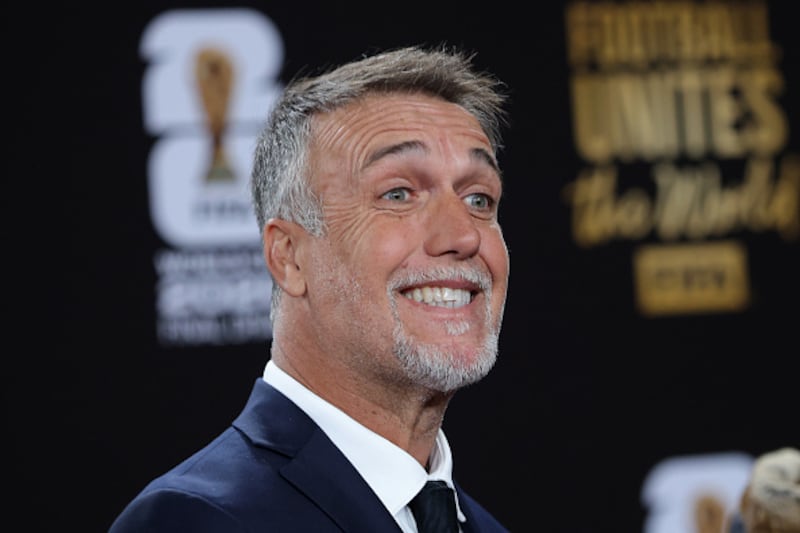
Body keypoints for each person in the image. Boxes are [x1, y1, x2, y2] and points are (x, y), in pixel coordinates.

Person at [110, 44, 511, 533]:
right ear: (289, 257)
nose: (464, 235)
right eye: (398, 194)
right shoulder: (197, 520)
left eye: (479, 199)